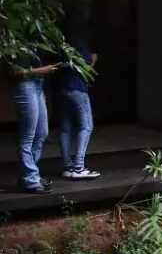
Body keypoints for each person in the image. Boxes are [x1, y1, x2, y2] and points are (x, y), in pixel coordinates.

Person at [7, 53, 61, 194]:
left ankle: (26, 177)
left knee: (42, 133)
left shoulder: (35, 40)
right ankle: (31, 179)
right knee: (28, 136)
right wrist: (41, 71)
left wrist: (41, 89)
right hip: (24, 84)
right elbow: (12, 70)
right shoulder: (12, 40)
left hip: (37, 84)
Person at [57, 11, 101, 179]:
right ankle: (78, 167)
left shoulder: (61, 42)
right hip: (77, 88)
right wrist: (94, 59)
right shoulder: (80, 44)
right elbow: (85, 69)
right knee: (86, 126)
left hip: (62, 88)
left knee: (65, 128)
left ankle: (67, 166)